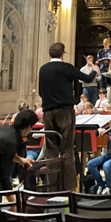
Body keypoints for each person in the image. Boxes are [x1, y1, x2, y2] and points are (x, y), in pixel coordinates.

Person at [39, 41, 96, 191]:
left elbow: (40, 92)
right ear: (62, 54)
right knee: (67, 149)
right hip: (65, 111)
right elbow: (87, 79)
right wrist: (95, 70)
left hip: (49, 112)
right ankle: (69, 189)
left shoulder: (43, 69)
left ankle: (51, 188)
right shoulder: (66, 68)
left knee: (51, 151)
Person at [0, 109, 39, 194]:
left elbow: (4, 153)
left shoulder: (4, 128)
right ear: (28, 127)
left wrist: (21, 160)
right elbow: (4, 177)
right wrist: (13, 203)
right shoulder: (10, 141)